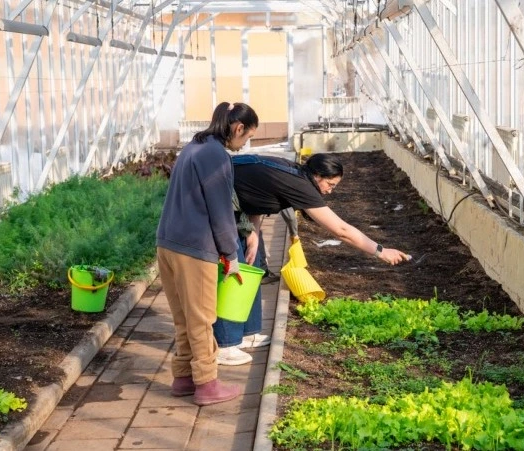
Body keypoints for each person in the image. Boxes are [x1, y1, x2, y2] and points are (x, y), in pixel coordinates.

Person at [212, 152, 410, 364]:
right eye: (330, 184)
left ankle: (246, 332)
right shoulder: (299, 184)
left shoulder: (296, 174)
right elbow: (341, 230)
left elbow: (255, 196)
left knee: (250, 267)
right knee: (233, 272)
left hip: (233, 205)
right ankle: (225, 344)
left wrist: (254, 235)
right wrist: (380, 250)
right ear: (317, 176)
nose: (330, 191)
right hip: (216, 203)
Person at [155, 101, 258, 406]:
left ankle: (183, 378)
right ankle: (207, 384)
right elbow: (221, 211)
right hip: (194, 248)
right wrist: (231, 254)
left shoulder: (194, 147)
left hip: (167, 243)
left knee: (184, 318)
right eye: (247, 136)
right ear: (237, 128)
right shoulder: (216, 155)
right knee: (202, 319)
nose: (244, 144)